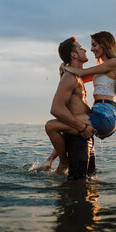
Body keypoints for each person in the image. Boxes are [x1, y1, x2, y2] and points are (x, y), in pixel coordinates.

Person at [33, 31, 116, 176]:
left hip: (104, 114)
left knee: (51, 126)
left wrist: (67, 68)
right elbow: (77, 79)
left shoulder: (114, 62)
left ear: (104, 44)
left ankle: (59, 162)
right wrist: (65, 72)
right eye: (88, 46)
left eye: (94, 45)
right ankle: (50, 160)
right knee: (68, 125)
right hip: (100, 112)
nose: (90, 49)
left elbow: (81, 74)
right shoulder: (103, 68)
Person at [30, 36, 96, 180]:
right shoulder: (70, 78)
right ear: (74, 55)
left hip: (86, 136)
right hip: (79, 136)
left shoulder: (78, 76)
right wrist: (83, 128)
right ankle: (62, 163)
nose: (85, 49)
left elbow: (100, 72)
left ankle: (50, 162)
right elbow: (56, 109)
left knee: (91, 181)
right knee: (77, 188)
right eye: (80, 48)